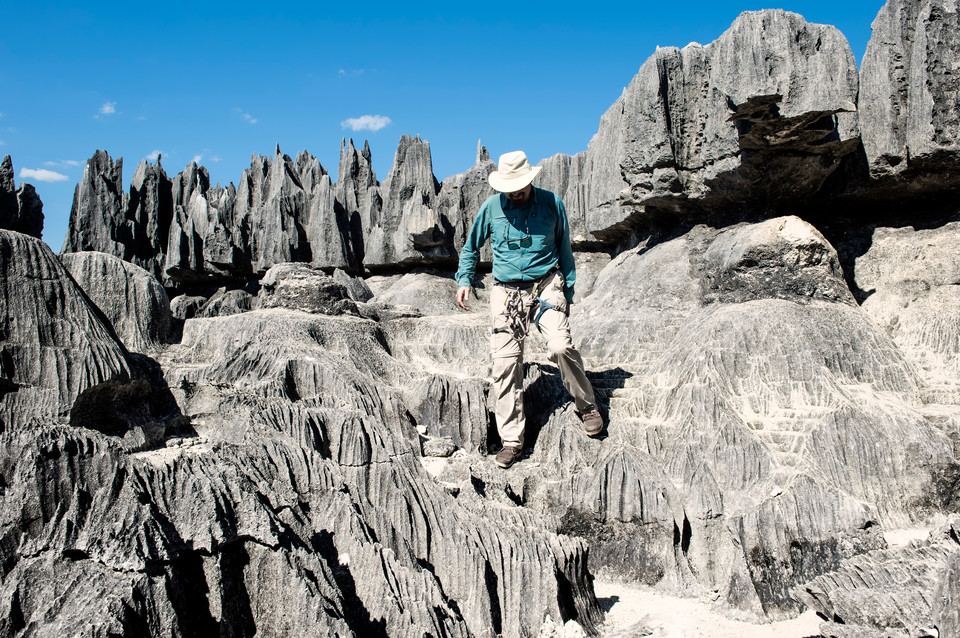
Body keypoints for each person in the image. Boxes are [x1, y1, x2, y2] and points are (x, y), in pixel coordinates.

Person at [455, 150, 602, 469]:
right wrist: (464, 279)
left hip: (546, 285)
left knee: (560, 346)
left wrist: (568, 293)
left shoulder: (552, 203)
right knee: (505, 363)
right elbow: (470, 248)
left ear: (530, 180)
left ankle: (587, 406)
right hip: (507, 292)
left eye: (519, 186)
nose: (515, 192)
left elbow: (565, 249)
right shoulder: (491, 208)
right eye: (509, 188)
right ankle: (511, 441)